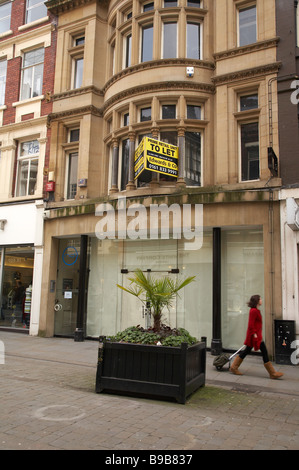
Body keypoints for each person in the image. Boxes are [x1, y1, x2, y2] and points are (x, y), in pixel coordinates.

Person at [230, 295, 283, 379]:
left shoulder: (256, 310)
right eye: (260, 299)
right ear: (257, 301)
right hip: (254, 336)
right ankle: (272, 373)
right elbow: (251, 324)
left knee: (247, 351)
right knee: (264, 352)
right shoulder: (254, 311)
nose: (261, 300)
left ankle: (234, 367)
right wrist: (255, 335)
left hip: (256, 335)